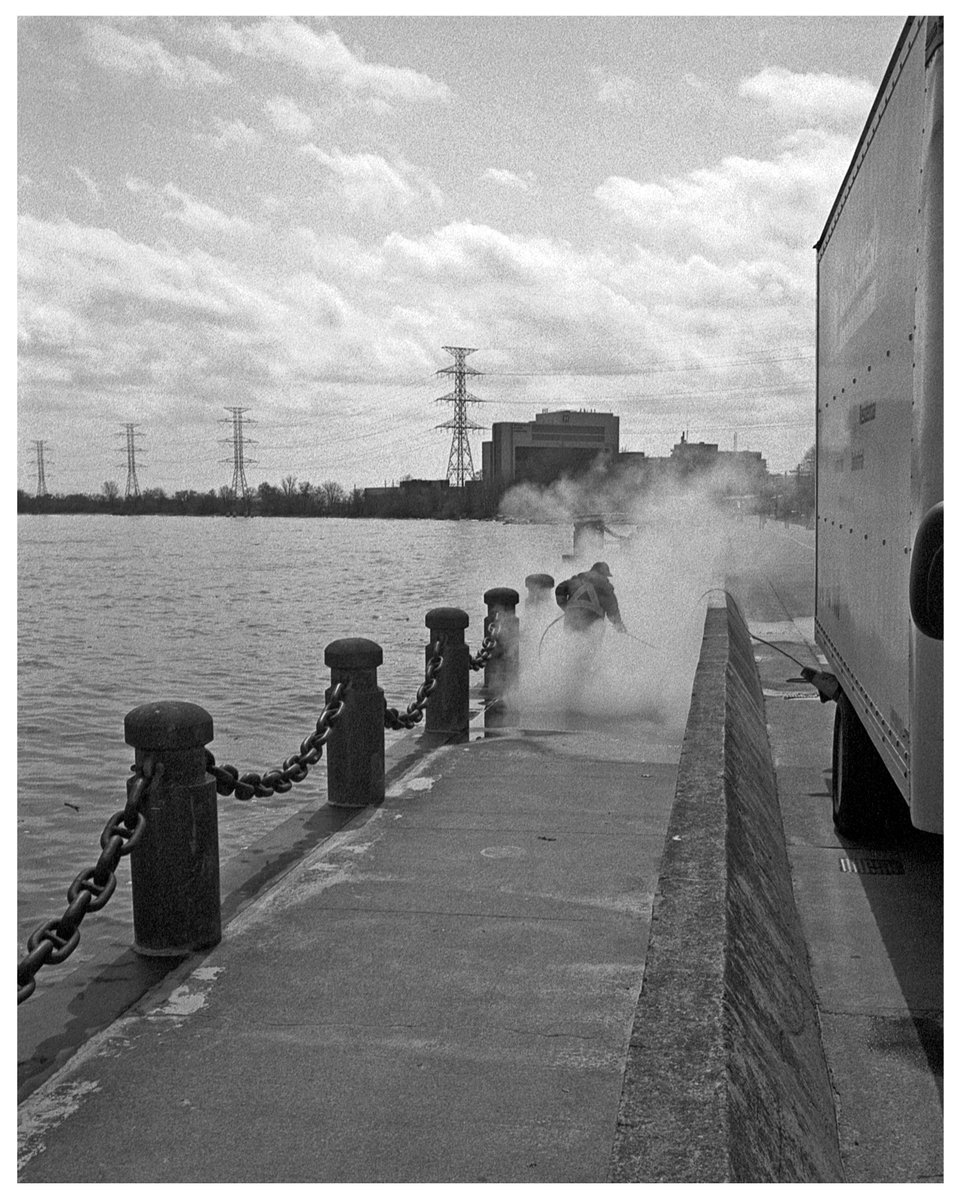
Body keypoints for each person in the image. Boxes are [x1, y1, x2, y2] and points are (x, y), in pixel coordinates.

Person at [554, 561, 627, 635]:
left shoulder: (575, 580)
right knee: (591, 645)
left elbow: (560, 589)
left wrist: (566, 607)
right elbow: (611, 608)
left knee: (570, 643)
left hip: (571, 619)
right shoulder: (604, 586)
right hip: (592, 620)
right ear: (603, 574)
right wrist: (618, 624)